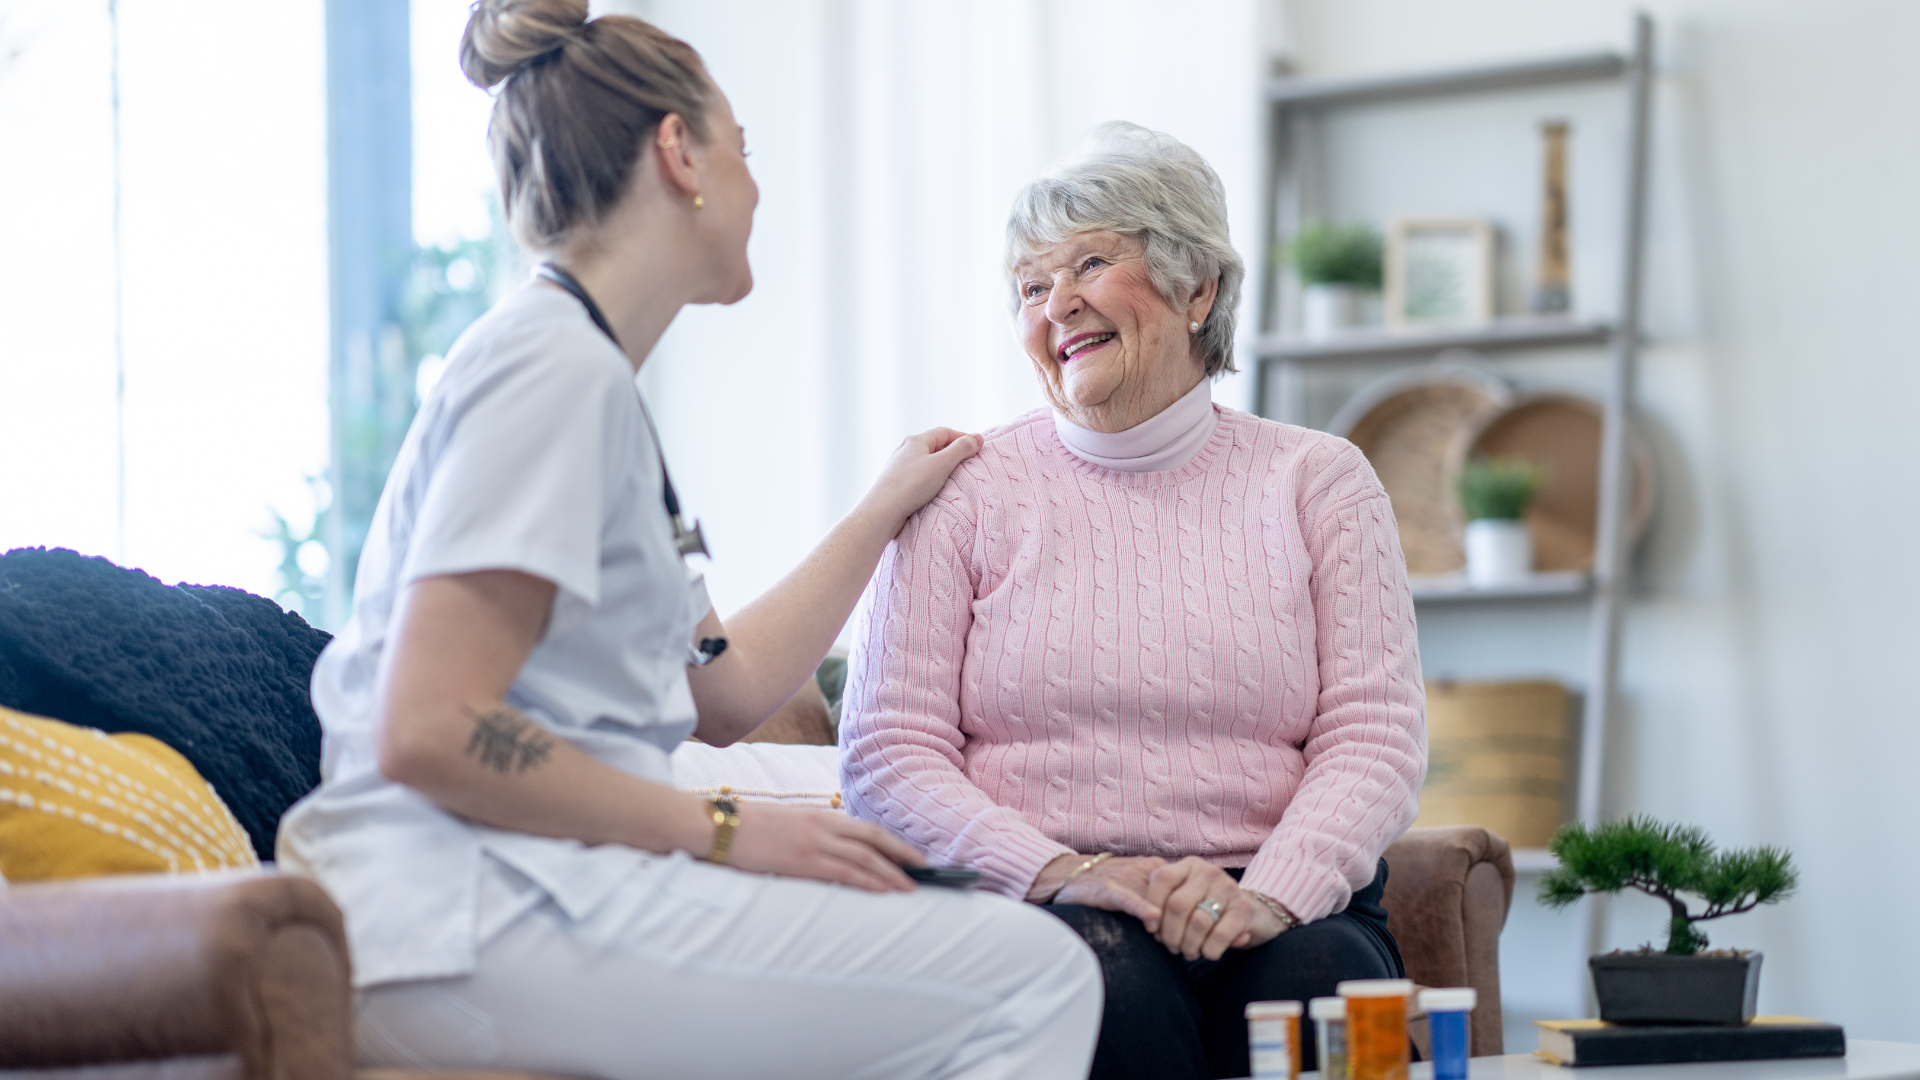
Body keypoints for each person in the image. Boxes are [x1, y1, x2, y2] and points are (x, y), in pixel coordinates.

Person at [274, 5, 1101, 1079]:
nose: (755, 188)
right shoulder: (552, 374)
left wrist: (881, 510)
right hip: (461, 909)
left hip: (509, 891)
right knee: (1035, 976)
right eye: (742, 150)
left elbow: (722, 689)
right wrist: (725, 827)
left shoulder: (582, 374)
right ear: (679, 153)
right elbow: (430, 726)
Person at [840, 123, 1428, 1080]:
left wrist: (1270, 895)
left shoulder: (1319, 479)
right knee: (1103, 981)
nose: (1056, 306)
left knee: (1310, 981)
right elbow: (885, 752)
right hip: (1038, 890)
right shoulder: (964, 489)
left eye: (1090, 264)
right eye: (1031, 287)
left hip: (1275, 891)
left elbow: (1376, 735)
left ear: (1199, 288)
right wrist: (1070, 874)